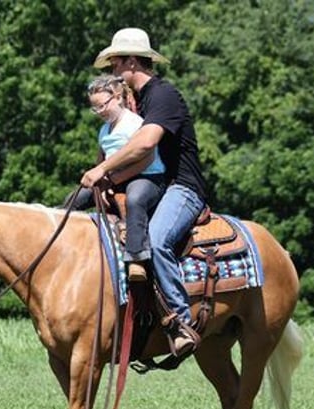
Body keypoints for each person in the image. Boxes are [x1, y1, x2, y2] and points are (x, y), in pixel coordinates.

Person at [81, 28, 208, 357]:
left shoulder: (162, 94)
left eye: (115, 63)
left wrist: (103, 170)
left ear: (132, 62)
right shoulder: (138, 100)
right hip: (158, 185)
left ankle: (180, 323)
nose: (112, 71)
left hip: (182, 187)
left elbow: (145, 142)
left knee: (158, 237)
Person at [65, 74, 166, 282]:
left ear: (118, 97)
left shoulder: (134, 124)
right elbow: (101, 161)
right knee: (73, 200)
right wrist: (99, 182)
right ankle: (63, 245)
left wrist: (111, 180)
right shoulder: (104, 129)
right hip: (114, 178)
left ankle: (137, 258)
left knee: (135, 199)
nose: (100, 112)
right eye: (95, 109)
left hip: (146, 176)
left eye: (103, 105)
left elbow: (145, 160)